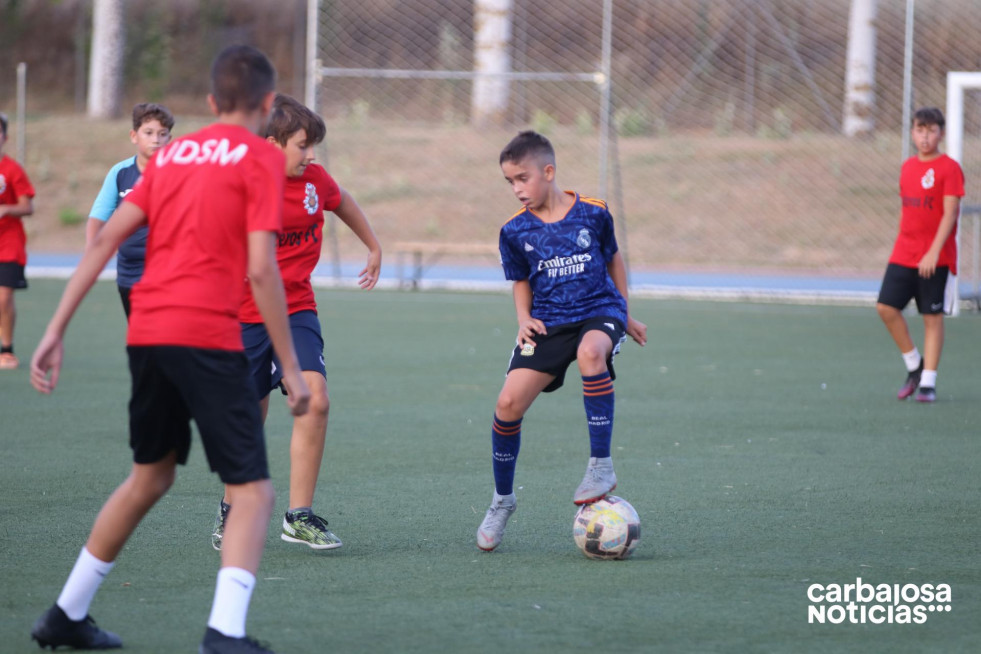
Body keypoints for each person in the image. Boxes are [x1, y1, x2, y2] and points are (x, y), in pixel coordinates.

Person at [28, 45, 310, 654]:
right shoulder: (260, 158)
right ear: (267, 105)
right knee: (255, 490)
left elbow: (104, 242)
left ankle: (64, 614)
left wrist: (54, 327)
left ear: (210, 103)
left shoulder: (173, 152)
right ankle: (224, 634)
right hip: (205, 334)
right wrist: (291, 367)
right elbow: (262, 271)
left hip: (148, 330)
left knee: (150, 475)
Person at [211, 93, 382, 552]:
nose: (311, 156)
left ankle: (299, 516)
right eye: (303, 145)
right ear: (271, 144)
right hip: (244, 315)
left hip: (297, 309)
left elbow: (341, 200)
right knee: (250, 413)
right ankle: (232, 508)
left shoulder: (314, 181)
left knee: (317, 400)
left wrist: (373, 245)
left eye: (314, 147)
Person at [475, 130, 647, 552]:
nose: (517, 189)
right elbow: (518, 281)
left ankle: (600, 467)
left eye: (522, 178)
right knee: (507, 404)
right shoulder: (514, 231)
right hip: (549, 322)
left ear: (548, 172)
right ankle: (502, 501)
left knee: (592, 353)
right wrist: (523, 319)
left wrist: (623, 313)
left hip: (597, 311)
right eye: (510, 182)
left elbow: (614, 260)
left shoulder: (593, 212)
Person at [876, 107, 964, 404]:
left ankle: (928, 382)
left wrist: (933, 252)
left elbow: (949, 214)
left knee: (932, 317)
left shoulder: (949, 168)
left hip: (935, 257)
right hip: (904, 251)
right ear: (912, 132)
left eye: (931, 130)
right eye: (919, 130)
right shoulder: (907, 167)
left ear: (941, 133)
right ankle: (914, 366)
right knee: (886, 307)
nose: (925, 136)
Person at [86, 102, 175, 318]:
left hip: (168, 269)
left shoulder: (179, 173)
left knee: (165, 334)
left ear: (169, 139)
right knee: (139, 335)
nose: (156, 139)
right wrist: (91, 254)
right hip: (129, 272)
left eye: (163, 134)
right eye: (149, 133)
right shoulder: (120, 172)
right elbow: (98, 217)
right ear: (134, 136)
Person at [0, 111, 36, 370]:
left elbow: (27, 206)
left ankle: (7, 350)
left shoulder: (12, 169)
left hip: (8, 243)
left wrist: (5, 209)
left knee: (3, 298)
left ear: (5, 137)